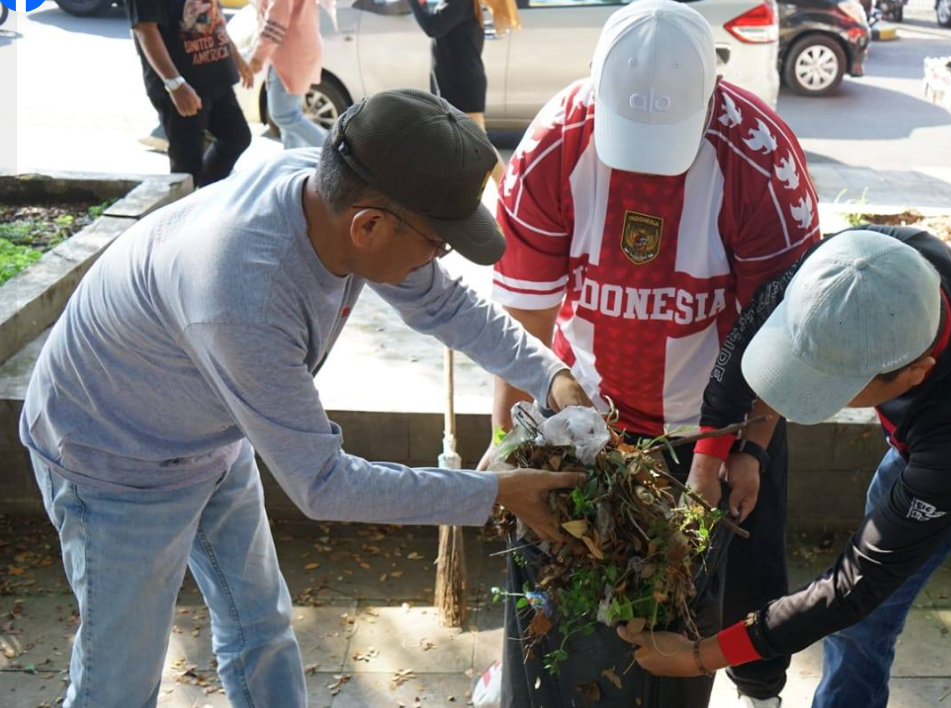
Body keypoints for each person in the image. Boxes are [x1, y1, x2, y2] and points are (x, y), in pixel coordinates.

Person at [20, 89, 594, 708]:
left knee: (259, 626)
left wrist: (549, 374)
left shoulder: (324, 186)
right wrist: (496, 493)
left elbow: (443, 302)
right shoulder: (247, 297)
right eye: (438, 243)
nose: (438, 260)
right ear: (369, 225)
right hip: (112, 458)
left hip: (211, 425)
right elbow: (324, 485)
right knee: (118, 686)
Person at [620, 226, 951, 708]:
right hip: (927, 458)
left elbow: (854, 585)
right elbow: (760, 329)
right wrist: (720, 460)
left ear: (914, 372)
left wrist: (698, 656)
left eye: (833, 385)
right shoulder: (858, 266)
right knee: (856, 638)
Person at [489, 1, 821, 705]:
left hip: (721, 407)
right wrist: (512, 452)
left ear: (711, 97)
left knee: (738, 578)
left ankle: (759, 688)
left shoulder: (761, 161)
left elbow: (783, 336)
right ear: (594, 89)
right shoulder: (553, 147)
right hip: (587, 414)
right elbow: (518, 326)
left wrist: (742, 447)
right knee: (561, 587)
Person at [129, 0, 254, 187]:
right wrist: (175, 83)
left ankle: (205, 194)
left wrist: (236, 57)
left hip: (216, 74)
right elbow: (145, 29)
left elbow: (215, 16)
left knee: (237, 137)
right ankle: (186, 209)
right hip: (184, 83)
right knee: (187, 165)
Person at [404, 0, 514, 184]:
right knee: (452, 143)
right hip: (452, 83)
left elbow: (433, 27)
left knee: (478, 145)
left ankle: (509, 189)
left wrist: (415, 3)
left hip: (463, 85)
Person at [248, 0, 332, 149]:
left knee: (284, 115)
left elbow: (276, 20)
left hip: (290, 55)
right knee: (290, 122)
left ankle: (334, 150)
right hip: (295, 51)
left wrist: (257, 57)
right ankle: (295, 163)